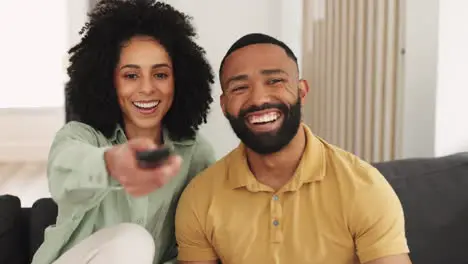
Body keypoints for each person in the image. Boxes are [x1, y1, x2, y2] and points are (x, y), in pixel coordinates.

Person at [174, 33, 412, 264]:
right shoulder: (200, 197)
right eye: (240, 88)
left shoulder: (364, 188)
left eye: (275, 81)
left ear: (301, 91)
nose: (258, 99)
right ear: (224, 105)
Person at [31, 1, 216, 264]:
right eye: (131, 76)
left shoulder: (197, 155)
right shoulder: (79, 137)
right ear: (109, 81)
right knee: (134, 239)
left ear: (179, 80)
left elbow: (196, 241)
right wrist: (111, 164)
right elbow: (64, 175)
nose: (147, 88)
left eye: (160, 75)